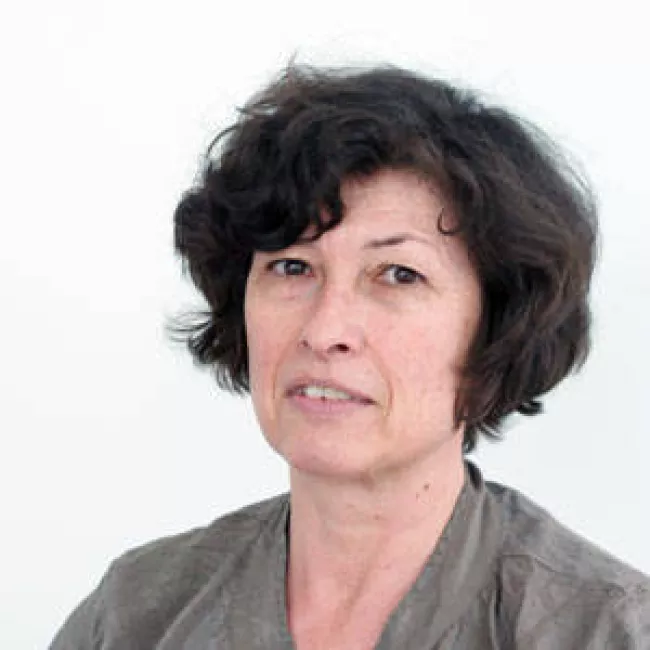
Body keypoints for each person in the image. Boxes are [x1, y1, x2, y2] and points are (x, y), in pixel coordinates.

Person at [49, 63, 650, 649]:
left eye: (398, 274)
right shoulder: (134, 614)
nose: (324, 329)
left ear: (498, 325)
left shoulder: (605, 631)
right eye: (292, 267)